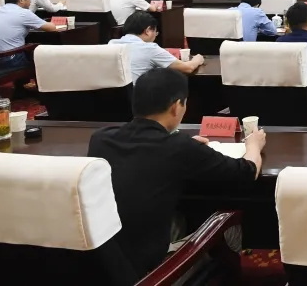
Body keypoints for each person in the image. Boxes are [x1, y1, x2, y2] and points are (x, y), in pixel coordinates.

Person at [88, 68, 264, 279]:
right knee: (229, 226)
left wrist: (187, 148)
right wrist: (254, 145)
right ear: (176, 106)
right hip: (149, 275)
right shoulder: (178, 147)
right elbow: (247, 172)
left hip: (102, 266)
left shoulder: (101, 139)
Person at [112, 12, 203, 80]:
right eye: (156, 32)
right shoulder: (149, 48)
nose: (155, 36)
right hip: (137, 97)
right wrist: (197, 59)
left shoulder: (111, 44)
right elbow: (187, 68)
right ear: (148, 31)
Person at [0, 0, 58, 69]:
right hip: (11, 59)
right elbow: (52, 28)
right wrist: (52, 22)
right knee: (42, 55)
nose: (30, 1)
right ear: (21, 0)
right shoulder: (24, 13)